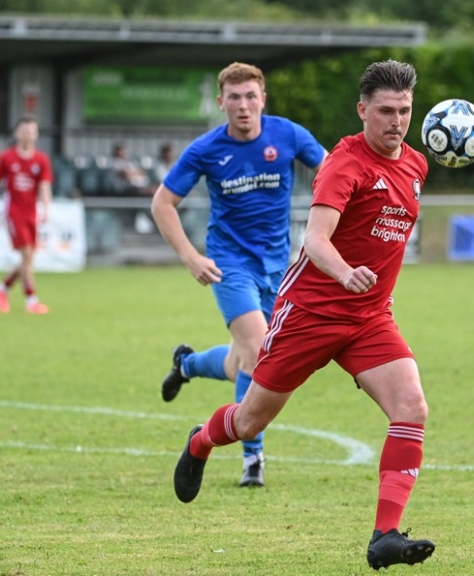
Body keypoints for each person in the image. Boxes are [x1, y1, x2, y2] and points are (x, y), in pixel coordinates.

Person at [171, 59, 436, 571]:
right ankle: (201, 441)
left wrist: (375, 291)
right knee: (249, 422)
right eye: (385, 111)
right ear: (363, 111)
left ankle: (385, 535)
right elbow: (315, 240)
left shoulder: (416, 166)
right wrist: (345, 273)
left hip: (369, 317)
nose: (396, 121)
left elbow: (387, 241)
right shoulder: (345, 163)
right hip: (310, 313)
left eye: (404, 110)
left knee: (412, 408)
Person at [151, 61, 327, 488]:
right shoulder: (206, 149)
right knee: (259, 350)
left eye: (251, 97)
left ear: (263, 99)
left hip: (278, 266)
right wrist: (191, 257)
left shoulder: (288, 135)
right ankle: (253, 459)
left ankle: (188, 364)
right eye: (235, 98)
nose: (244, 106)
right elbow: (162, 203)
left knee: (239, 362)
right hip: (229, 265)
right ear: (221, 103)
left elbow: (333, 174)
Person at [0, 115, 53, 315]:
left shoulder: (41, 160)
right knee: (27, 255)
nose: (28, 135)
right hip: (14, 213)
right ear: (17, 133)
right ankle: (32, 300)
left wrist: (46, 209)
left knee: (28, 260)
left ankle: (2, 288)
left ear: (36, 134)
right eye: (24, 131)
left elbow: (45, 187)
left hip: (32, 213)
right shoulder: (6, 157)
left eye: (31, 131)